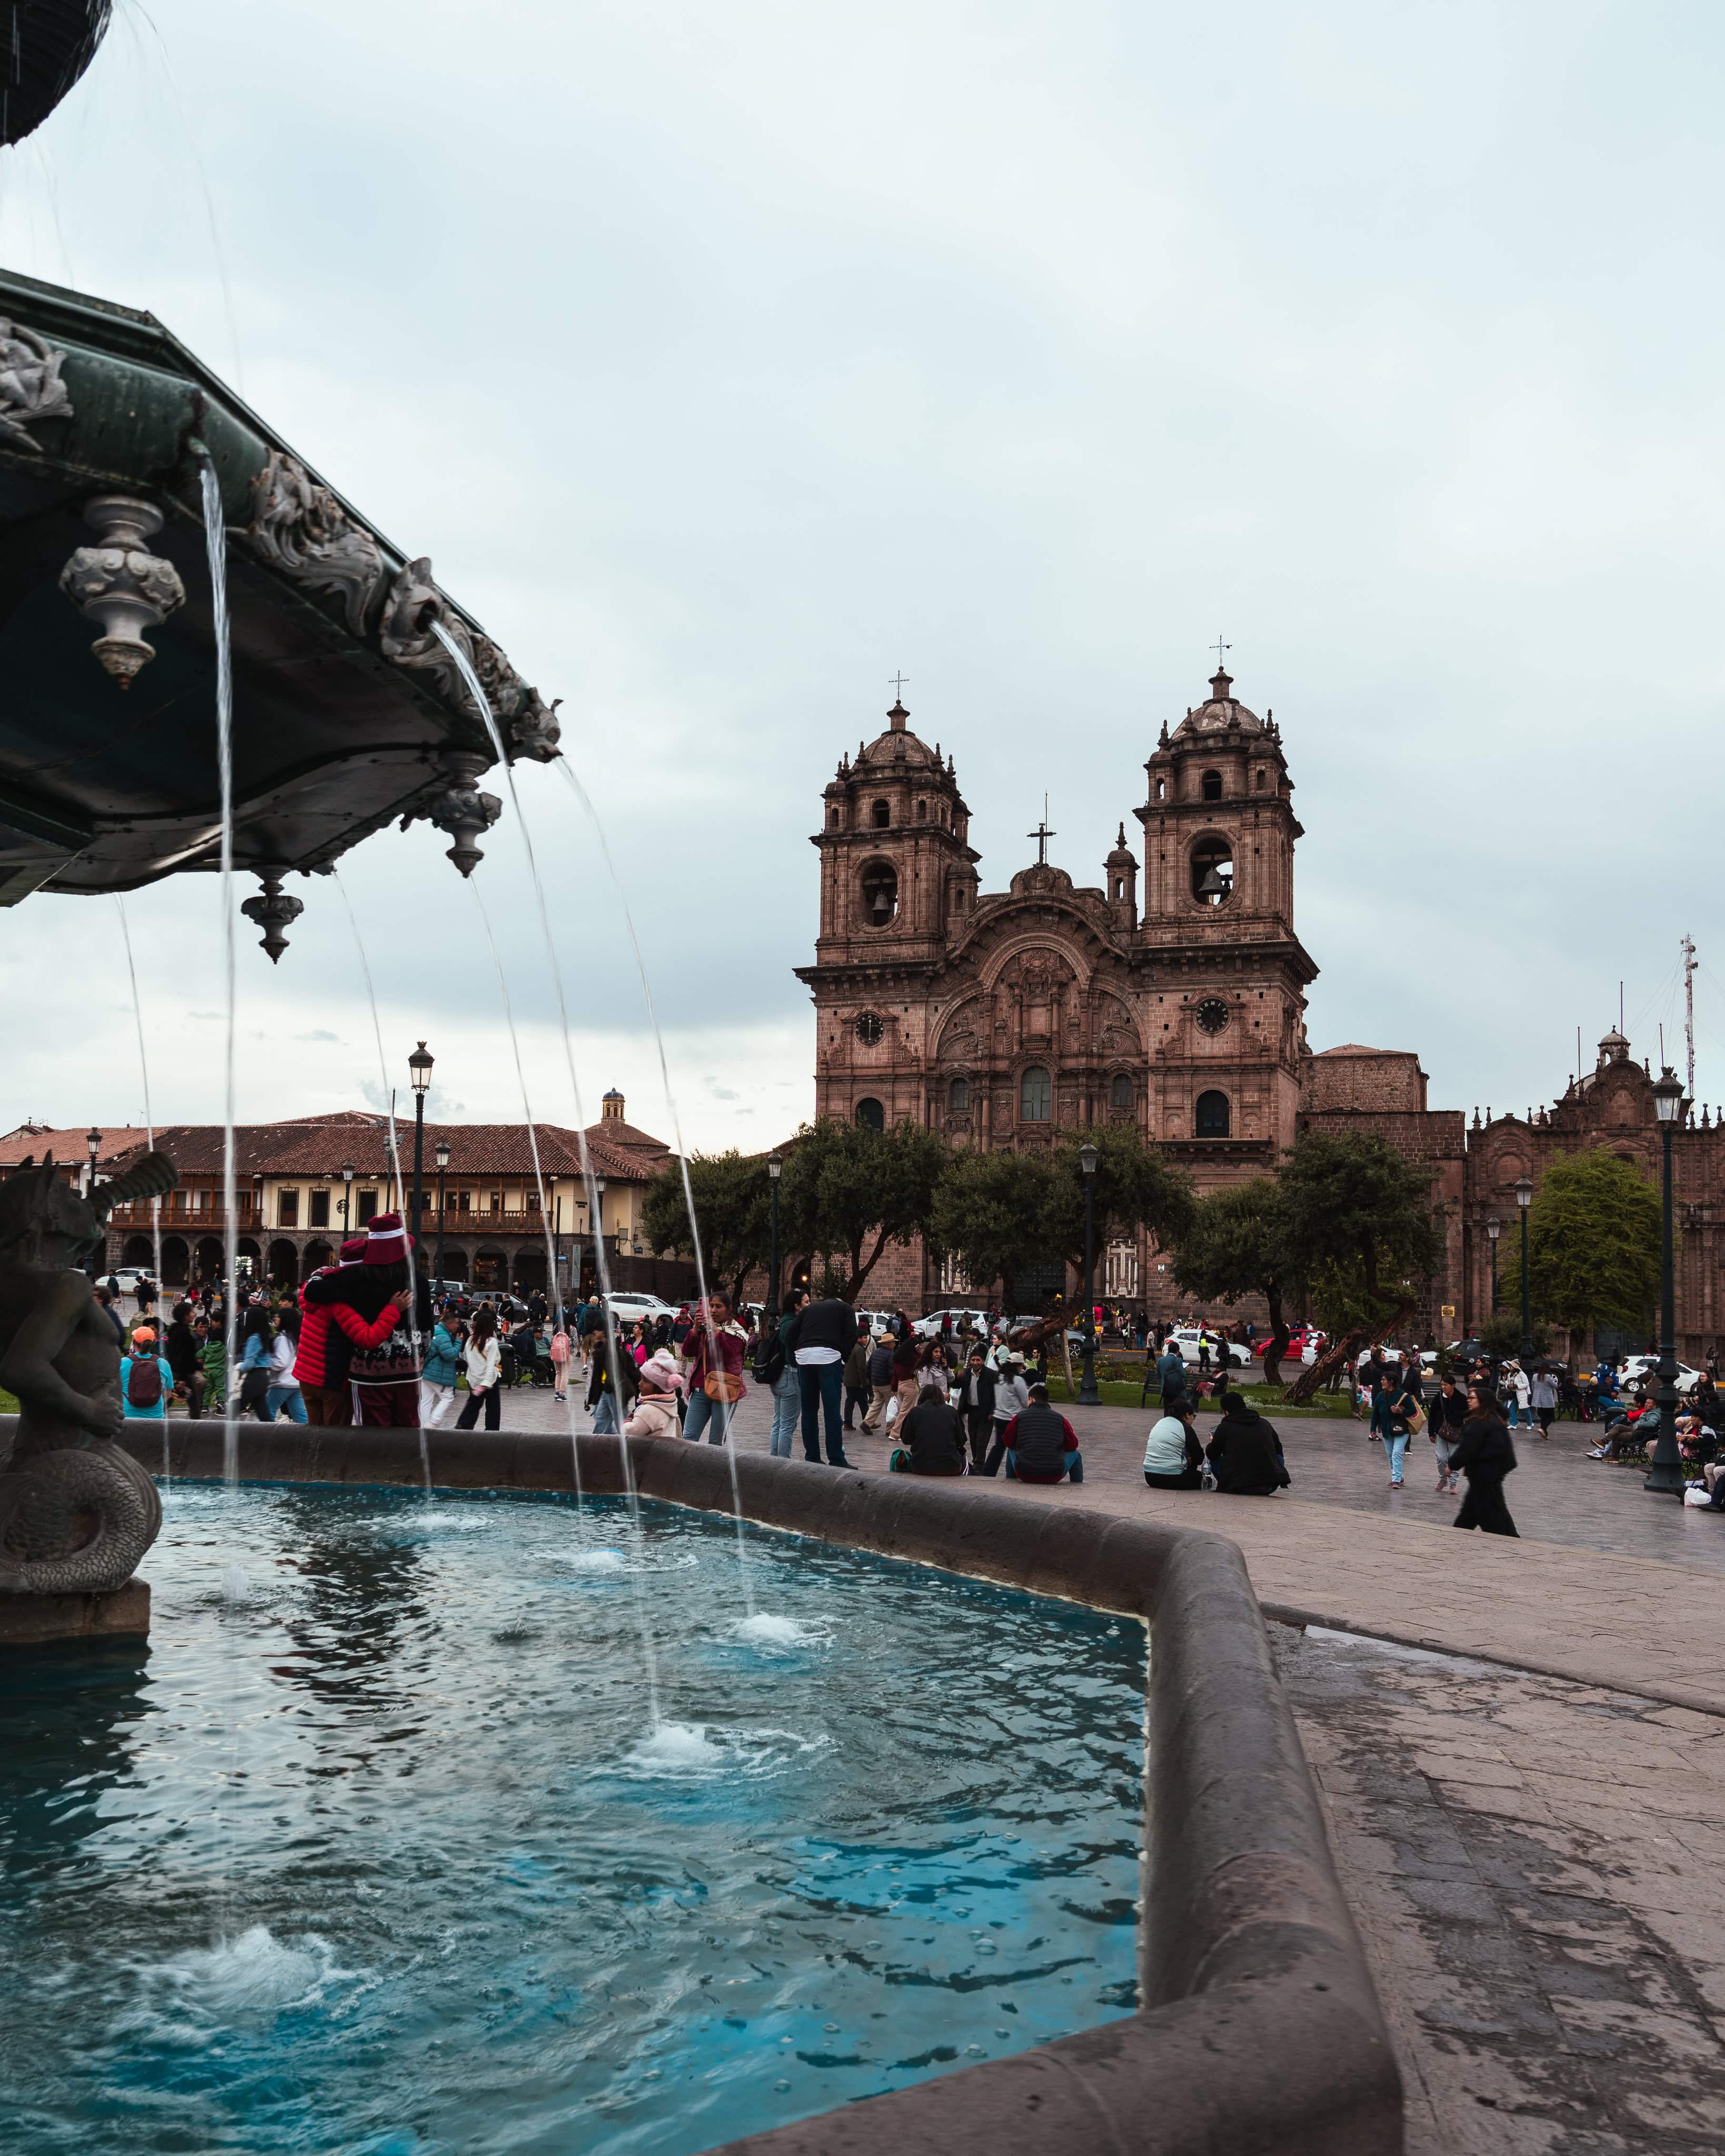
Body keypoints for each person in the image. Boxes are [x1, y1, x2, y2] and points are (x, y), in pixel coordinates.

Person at [304, 1214, 421, 1426]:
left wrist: (320, 1274)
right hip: (341, 1379)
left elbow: (312, 1291)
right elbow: (371, 1338)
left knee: (328, 1438)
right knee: (405, 1432)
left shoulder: (340, 1283)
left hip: (326, 1377)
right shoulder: (416, 1280)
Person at [293, 1236, 367, 1425]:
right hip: (330, 1380)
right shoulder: (340, 1301)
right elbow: (366, 1338)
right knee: (334, 1440)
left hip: (306, 1376)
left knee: (314, 1432)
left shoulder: (314, 1294)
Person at [785, 1291, 857, 1465]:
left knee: (809, 1411)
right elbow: (851, 1335)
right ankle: (836, 1458)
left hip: (804, 1357)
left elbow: (790, 1337)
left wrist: (799, 1357)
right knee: (832, 1412)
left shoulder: (810, 1309)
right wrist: (843, 1358)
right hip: (828, 1358)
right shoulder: (846, 1309)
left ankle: (812, 1457)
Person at [1450, 1383, 1519, 1536]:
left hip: (1484, 1474)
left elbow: (1467, 1449)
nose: (1469, 1400)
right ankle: (1457, 1535)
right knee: (1472, 1512)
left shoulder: (1481, 1422)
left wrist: (1452, 1465)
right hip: (1490, 1474)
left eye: (1473, 1398)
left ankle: (1505, 1539)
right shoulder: (1494, 1420)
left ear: (1482, 1401)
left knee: (1489, 1514)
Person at [681, 1293, 747, 1445]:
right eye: (711, 1306)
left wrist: (715, 1331)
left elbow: (727, 1355)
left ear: (729, 1309)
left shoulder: (735, 1332)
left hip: (725, 1391)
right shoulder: (703, 1328)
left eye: (719, 1306)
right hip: (700, 1390)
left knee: (715, 1442)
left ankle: (712, 1470)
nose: (714, 1310)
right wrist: (695, 1330)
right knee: (688, 1438)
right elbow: (687, 1352)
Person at [1204, 1391, 1290, 1496]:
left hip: (1239, 1485)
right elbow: (1279, 1451)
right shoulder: (1264, 1423)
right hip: (1269, 1485)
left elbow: (1212, 1454)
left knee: (1214, 1460)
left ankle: (1228, 1483)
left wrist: (1213, 1443)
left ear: (1226, 1412)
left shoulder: (1225, 1427)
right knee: (1277, 1458)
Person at [996, 1382, 1083, 1483]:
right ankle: (1077, 1484)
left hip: (1024, 1473)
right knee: (1076, 1455)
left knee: (1011, 1450)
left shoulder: (1019, 1417)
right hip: (1054, 1474)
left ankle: (1011, 1480)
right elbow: (1073, 1445)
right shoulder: (1060, 1419)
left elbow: (1008, 1441)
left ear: (1032, 1399)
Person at [764, 1287, 806, 1459]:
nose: (809, 1305)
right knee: (787, 1425)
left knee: (779, 1423)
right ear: (797, 1306)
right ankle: (782, 1462)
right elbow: (792, 1354)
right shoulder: (791, 1324)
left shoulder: (783, 1321)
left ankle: (775, 1459)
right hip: (791, 1376)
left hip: (780, 1377)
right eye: (807, 1302)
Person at [891, 1386, 966, 1474]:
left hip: (920, 1466)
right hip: (951, 1467)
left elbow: (906, 1439)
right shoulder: (952, 1412)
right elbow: (962, 1440)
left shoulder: (915, 1412)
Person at [981, 1353, 1032, 1474]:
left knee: (999, 1447)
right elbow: (1025, 1403)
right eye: (1021, 1367)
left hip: (1000, 1418)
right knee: (1017, 1447)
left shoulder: (998, 1378)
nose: (1022, 1369)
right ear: (1017, 1366)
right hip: (1015, 1419)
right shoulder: (1017, 1381)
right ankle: (1015, 1472)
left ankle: (988, 1472)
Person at [457, 1306, 504, 1430]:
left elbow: (467, 1359)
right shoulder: (492, 1342)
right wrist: (486, 1383)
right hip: (489, 1381)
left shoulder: (470, 1340)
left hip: (473, 1379)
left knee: (473, 1405)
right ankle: (492, 1431)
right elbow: (490, 1365)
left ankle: (464, 1426)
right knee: (493, 1408)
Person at [1142, 1395, 1204, 1490]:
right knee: (1200, 1478)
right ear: (1188, 1415)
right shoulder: (1185, 1428)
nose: (1193, 1419)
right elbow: (1199, 1458)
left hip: (1150, 1477)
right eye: (1193, 1416)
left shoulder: (1160, 1423)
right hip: (1173, 1478)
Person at [420, 1306, 464, 1426]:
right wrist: (458, 1342)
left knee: (426, 1401)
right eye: (456, 1324)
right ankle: (434, 1422)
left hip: (426, 1371)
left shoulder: (435, 1330)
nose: (457, 1326)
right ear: (449, 1323)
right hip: (438, 1373)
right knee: (448, 1397)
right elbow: (449, 1355)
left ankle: (424, 1425)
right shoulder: (444, 1336)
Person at [955, 1347, 996, 1473]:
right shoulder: (966, 1373)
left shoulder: (991, 1375)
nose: (975, 1363)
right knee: (973, 1438)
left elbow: (997, 1394)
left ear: (983, 1361)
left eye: (978, 1360)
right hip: (971, 1410)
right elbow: (954, 1386)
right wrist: (958, 1377)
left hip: (986, 1412)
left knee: (982, 1440)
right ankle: (976, 1462)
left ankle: (979, 1465)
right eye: (973, 1360)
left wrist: (993, 1411)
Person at [118, 1326, 173, 1422]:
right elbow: (167, 1395)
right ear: (154, 1343)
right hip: (156, 1418)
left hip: (128, 1418)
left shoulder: (122, 1363)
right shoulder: (164, 1364)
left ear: (134, 1342)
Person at [1429, 1372, 1468, 1494]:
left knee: (1453, 1459)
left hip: (1456, 1433)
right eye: (1442, 1385)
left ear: (1453, 1385)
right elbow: (1432, 1415)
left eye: (1446, 1385)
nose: (1443, 1387)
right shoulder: (1439, 1397)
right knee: (1441, 1457)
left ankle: (1453, 1484)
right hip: (1441, 1432)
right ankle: (1443, 1479)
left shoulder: (1462, 1399)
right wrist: (1431, 1432)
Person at [622, 1361, 682, 1440]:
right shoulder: (670, 1404)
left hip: (650, 1451)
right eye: (641, 1379)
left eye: (645, 1381)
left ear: (659, 1387)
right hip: (665, 1449)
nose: (640, 1384)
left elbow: (630, 1432)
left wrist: (627, 1421)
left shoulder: (647, 1410)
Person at [164, 1303, 204, 1419]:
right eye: (192, 1312)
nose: (194, 1314)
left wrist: (198, 1367)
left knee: (174, 1397)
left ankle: (157, 1418)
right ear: (186, 1315)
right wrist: (181, 1378)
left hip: (180, 1372)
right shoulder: (183, 1333)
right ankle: (196, 1427)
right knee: (192, 1402)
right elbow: (182, 1355)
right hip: (182, 1373)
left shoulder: (178, 1330)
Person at [236, 1305, 276, 1421]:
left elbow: (249, 1364)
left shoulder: (254, 1338)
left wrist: (237, 1369)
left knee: (235, 1407)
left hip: (254, 1377)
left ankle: (225, 1437)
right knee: (263, 1413)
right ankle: (273, 1436)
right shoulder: (265, 1336)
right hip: (264, 1377)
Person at [861, 1326, 896, 1433]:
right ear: (889, 1343)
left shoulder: (876, 1352)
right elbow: (891, 1372)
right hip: (886, 1384)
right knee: (891, 1406)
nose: (894, 1344)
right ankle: (890, 1428)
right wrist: (894, 1385)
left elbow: (868, 1367)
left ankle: (867, 1422)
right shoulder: (890, 1355)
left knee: (877, 1403)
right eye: (893, 1342)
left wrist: (871, 1380)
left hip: (875, 1383)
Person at [842, 1326, 872, 1431]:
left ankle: (848, 1423)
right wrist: (864, 1382)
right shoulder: (859, 1350)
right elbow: (862, 1367)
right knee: (863, 1402)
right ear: (858, 1339)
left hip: (849, 1380)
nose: (866, 1340)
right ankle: (868, 1423)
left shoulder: (851, 1347)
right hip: (857, 1381)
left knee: (850, 1401)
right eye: (864, 1338)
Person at [1529, 1365, 1558, 1439]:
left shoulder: (1535, 1376)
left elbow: (1533, 1386)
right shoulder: (1548, 1377)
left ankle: (1545, 1434)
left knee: (1543, 1417)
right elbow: (1555, 1386)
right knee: (1551, 1417)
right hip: (1547, 1399)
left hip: (1538, 1399)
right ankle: (1543, 1429)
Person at [548, 1319, 572, 1403]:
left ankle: (557, 1392)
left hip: (556, 1354)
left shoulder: (556, 1331)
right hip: (566, 1356)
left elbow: (552, 1342)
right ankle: (562, 1394)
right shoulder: (570, 1331)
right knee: (565, 1373)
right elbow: (574, 1343)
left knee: (558, 1373)